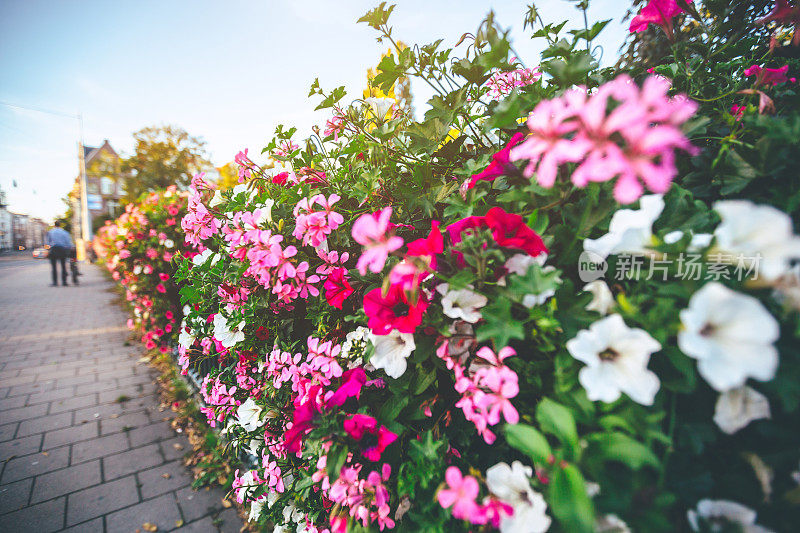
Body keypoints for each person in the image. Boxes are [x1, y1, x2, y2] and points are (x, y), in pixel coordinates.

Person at [46, 221, 73, 286]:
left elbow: (47, 243)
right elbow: (68, 242)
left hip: (53, 249)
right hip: (62, 250)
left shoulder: (50, 232)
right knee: (63, 266)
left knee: (54, 267)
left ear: (54, 225)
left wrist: (48, 250)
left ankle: (55, 283)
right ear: (60, 225)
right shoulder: (65, 232)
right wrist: (69, 248)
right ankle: (64, 282)